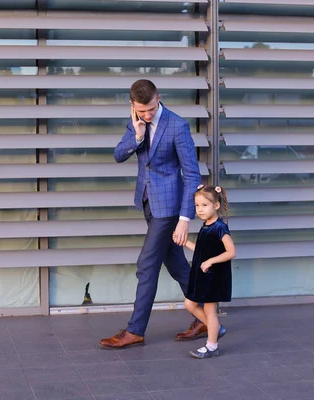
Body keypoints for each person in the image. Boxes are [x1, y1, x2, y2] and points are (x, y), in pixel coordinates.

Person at [99, 79, 203, 349]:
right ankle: (205, 316)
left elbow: (192, 174)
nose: (148, 115)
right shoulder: (135, 122)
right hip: (147, 203)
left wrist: (184, 219)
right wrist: (137, 135)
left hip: (168, 210)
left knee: (146, 265)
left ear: (159, 98)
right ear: (132, 105)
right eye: (142, 110)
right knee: (177, 265)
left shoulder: (177, 125)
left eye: (152, 109)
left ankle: (135, 330)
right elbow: (118, 155)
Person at [174, 184, 235, 359]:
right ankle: (215, 328)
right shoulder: (206, 226)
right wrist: (184, 242)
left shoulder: (219, 228)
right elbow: (201, 251)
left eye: (204, 205)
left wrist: (211, 261)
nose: (200, 210)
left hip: (214, 276)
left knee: (209, 310)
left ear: (216, 206)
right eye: (197, 206)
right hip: (203, 275)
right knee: (190, 303)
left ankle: (212, 345)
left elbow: (231, 252)